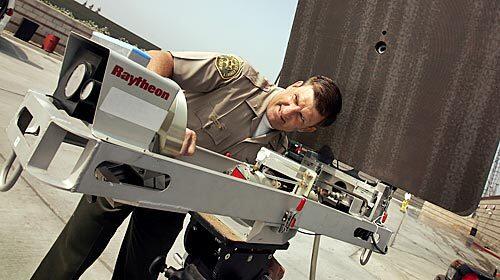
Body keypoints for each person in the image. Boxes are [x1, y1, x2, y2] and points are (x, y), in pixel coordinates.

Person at [31, 50, 342, 280]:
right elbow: (162, 60)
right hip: (126, 167)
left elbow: (257, 204)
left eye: (302, 117)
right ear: (296, 84)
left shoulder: (274, 152)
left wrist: (267, 256)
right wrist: (165, 119)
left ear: (308, 129)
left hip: (171, 201)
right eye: (296, 99)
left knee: (139, 274)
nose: (289, 110)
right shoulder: (238, 76)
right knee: (69, 258)